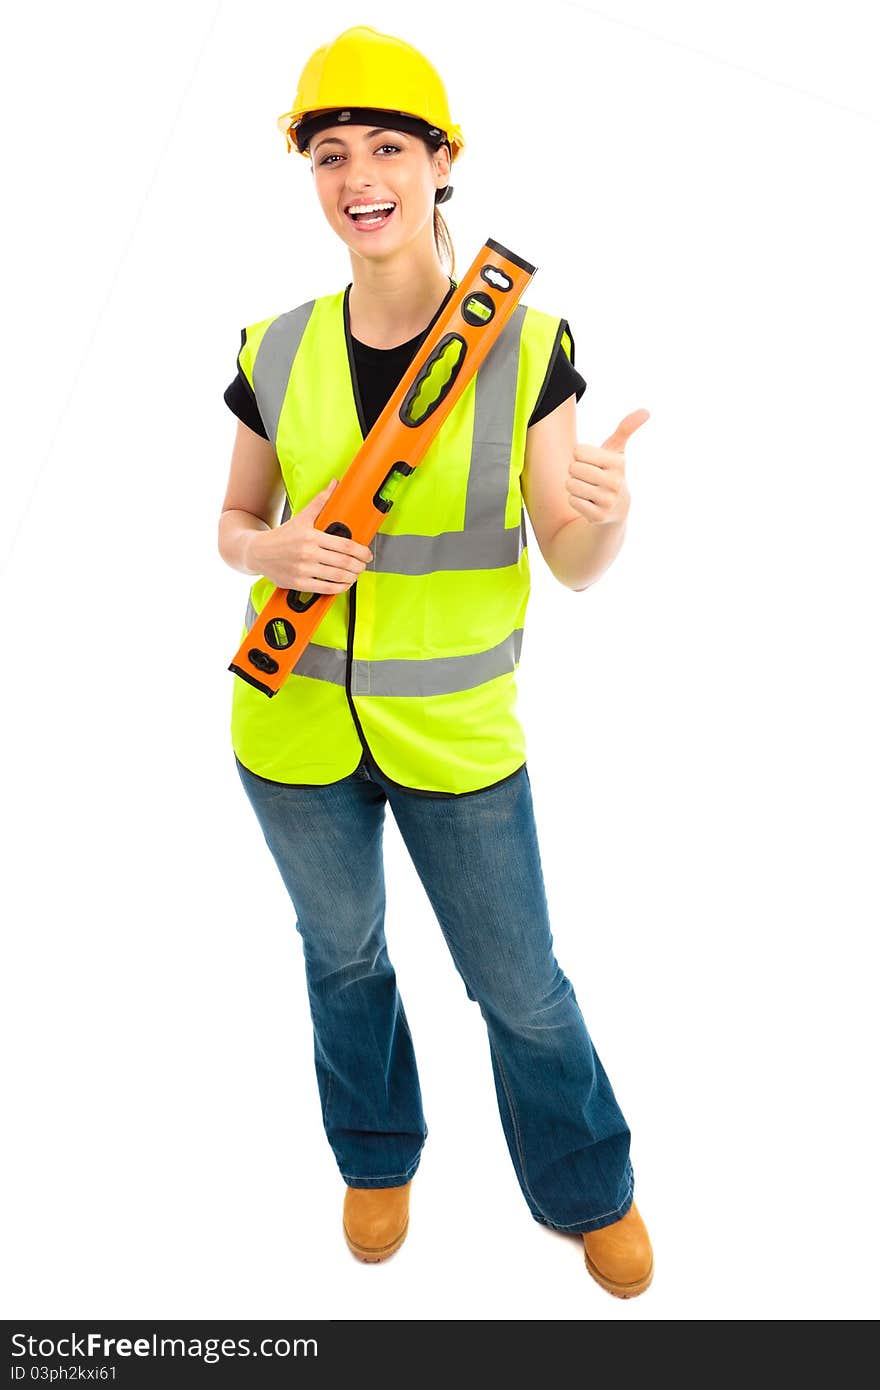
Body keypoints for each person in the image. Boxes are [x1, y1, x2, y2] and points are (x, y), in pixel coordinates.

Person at [217, 24, 653, 1298]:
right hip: (290, 733)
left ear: (442, 160)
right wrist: (272, 549)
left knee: (519, 987)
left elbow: (571, 561)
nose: (360, 174)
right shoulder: (273, 347)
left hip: (458, 739)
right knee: (340, 956)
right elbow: (230, 528)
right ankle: (374, 1152)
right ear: (310, 175)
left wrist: (607, 506)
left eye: (389, 146)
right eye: (331, 152)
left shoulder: (522, 341)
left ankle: (586, 1186)